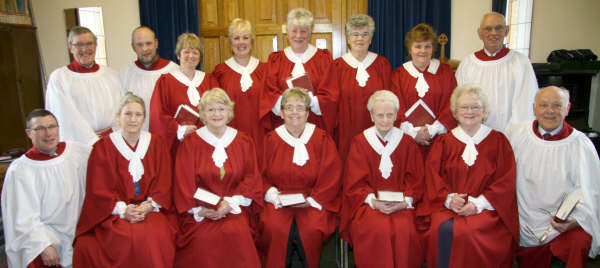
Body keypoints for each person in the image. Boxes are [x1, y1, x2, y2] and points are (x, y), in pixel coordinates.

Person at [72, 93, 176, 267]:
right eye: (128, 114)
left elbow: (164, 183)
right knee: (122, 238)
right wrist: (123, 210)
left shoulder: (157, 143)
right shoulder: (103, 147)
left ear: (144, 118)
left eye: (138, 114)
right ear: (118, 117)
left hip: (150, 210)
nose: (133, 119)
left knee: (155, 235)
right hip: (115, 212)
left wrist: (149, 206)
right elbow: (98, 189)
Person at [423, 84, 519, 267]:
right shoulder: (444, 142)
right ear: (455, 112)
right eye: (464, 107)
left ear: (484, 112)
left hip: (488, 210)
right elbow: (433, 177)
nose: (469, 111)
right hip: (447, 207)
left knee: (468, 232)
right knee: (440, 228)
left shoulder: (498, 142)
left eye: (475, 107)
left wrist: (478, 204)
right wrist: (449, 199)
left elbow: (505, 182)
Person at [505, 86, 600, 267]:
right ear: (534, 108)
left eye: (557, 105)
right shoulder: (516, 135)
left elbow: (591, 190)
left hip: (565, 222)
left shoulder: (581, 144)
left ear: (567, 109)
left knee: (580, 241)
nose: (550, 111)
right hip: (524, 218)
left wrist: (576, 221)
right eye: (544, 105)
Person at [173, 88, 262, 268]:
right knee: (203, 239)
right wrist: (200, 210)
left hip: (234, 208)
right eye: (211, 110)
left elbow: (251, 177)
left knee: (239, 233)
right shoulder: (190, 143)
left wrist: (230, 203)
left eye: (221, 109)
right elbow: (184, 182)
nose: (216, 114)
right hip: (200, 211)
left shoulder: (243, 141)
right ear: (203, 114)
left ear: (229, 111)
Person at [257, 88, 342, 268]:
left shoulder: (322, 138)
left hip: (312, 200)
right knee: (275, 228)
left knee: (311, 229)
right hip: (278, 202)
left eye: (300, 107)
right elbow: (260, 175)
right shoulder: (270, 139)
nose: (294, 112)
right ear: (281, 112)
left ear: (307, 112)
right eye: (289, 107)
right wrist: (274, 196)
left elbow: (331, 175)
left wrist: (313, 199)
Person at [340, 90, 424, 268]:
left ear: (396, 115)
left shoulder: (407, 142)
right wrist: (373, 201)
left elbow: (416, 180)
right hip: (369, 205)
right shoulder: (360, 142)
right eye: (380, 115)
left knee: (404, 229)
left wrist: (405, 201)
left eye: (389, 115)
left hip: (401, 203)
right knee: (377, 228)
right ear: (371, 115)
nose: (385, 120)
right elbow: (354, 182)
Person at [1, 109, 91, 268]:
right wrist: (43, 245)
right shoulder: (20, 170)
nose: (48, 133)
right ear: (29, 133)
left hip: (79, 225)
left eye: (52, 126)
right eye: (40, 129)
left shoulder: (76, 152)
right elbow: (22, 218)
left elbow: (107, 160)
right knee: (39, 256)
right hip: (46, 233)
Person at [260, 7, 339, 135]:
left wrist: (308, 102)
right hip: (284, 126)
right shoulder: (276, 60)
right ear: (287, 32)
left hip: (315, 126)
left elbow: (331, 96)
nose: (298, 35)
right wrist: (290, 106)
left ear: (310, 32)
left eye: (303, 31)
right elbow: (269, 94)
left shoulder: (323, 59)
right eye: (294, 31)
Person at [455, 12, 538, 132]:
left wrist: (514, 134)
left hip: (511, 135)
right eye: (488, 29)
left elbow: (526, 103)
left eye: (498, 28)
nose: (493, 33)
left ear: (506, 30)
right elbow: (460, 101)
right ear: (480, 33)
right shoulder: (468, 64)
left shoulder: (520, 62)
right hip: (475, 133)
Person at [45, 26, 122, 145]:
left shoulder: (112, 75)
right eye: (79, 44)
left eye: (89, 43)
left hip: (112, 140)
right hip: (79, 143)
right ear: (70, 47)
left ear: (96, 45)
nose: (85, 49)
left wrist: (114, 134)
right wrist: (92, 139)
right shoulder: (60, 78)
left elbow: (122, 110)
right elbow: (64, 116)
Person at [392, 23, 457, 157]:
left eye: (427, 46)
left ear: (433, 49)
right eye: (418, 46)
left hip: (439, 139)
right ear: (409, 49)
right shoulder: (398, 75)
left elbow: (453, 104)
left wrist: (433, 130)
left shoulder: (446, 72)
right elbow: (395, 107)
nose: (423, 51)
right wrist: (413, 133)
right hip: (407, 140)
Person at [334, 14, 392, 161]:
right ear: (348, 39)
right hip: (345, 132)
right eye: (355, 34)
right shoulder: (336, 67)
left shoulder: (382, 65)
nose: (360, 38)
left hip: (377, 129)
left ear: (371, 38)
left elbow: (390, 100)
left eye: (365, 34)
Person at [149, 32, 219, 156]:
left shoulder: (210, 80)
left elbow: (220, 109)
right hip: (178, 145)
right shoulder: (165, 82)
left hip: (207, 144)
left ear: (200, 56)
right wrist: (180, 129)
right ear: (178, 55)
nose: (191, 56)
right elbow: (158, 115)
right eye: (186, 51)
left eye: (195, 52)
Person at [212, 18, 267, 161]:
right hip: (230, 137)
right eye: (236, 38)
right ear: (230, 43)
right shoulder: (220, 72)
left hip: (261, 137)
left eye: (245, 37)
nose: (241, 42)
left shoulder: (265, 70)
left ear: (252, 41)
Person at [119, 26, 178, 131]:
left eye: (148, 43)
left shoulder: (174, 71)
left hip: (167, 137)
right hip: (137, 137)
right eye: (139, 45)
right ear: (133, 47)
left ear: (156, 43)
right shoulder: (125, 73)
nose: (145, 49)